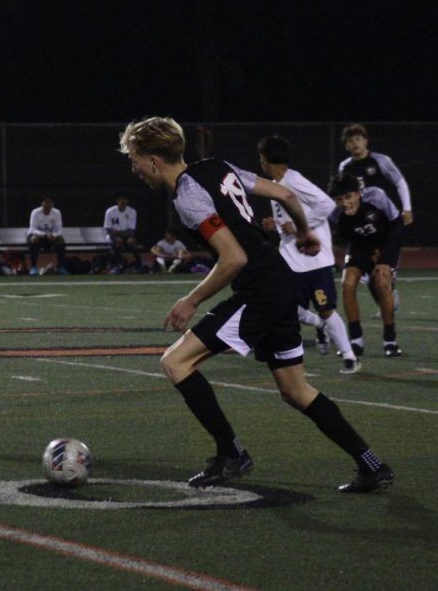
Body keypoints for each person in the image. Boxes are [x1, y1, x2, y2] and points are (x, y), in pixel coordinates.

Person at [119, 116, 392, 493]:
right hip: (278, 282)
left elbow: (233, 258)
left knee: (175, 362)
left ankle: (231, 453)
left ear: (153, 159)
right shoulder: (217, 167)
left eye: (134, 159)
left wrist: (191, 300)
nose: (133, 169)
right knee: (296, 391)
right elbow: (286, 195)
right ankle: (371, 465)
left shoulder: (187, 196)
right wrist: (306, 232)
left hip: (260, 291)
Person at [257, 135, 358, 373]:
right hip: (291, 259)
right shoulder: (276, 183)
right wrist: (277, 225)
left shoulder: (294, 181)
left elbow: (326, 205)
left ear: (264, 159)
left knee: (326, 308)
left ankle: (349, 356)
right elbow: (289, 221)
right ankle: (319, 327)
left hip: (315, 260)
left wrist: (297, 224)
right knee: (286, 308)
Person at [327, 175, 405, 358]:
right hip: (360, 246)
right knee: (347, 284)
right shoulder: (333, 212)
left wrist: (385, 259)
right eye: (339, 199)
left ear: (358, 193)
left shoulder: (376, 196)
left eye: (348, 197)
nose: (345, 203)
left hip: (385, 244)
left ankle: (390, 341)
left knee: (382, 283)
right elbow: (338, 235)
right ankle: (355, 340)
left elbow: (397, 226)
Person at [338, 123, 411, 316]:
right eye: (350, 141)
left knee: (383, 269)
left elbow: (399, 181)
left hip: (385, 224)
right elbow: (342, 192)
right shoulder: (345, 167)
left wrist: (407, 208)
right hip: (363, 225)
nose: (354, 143)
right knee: (369, 272)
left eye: (357, 139)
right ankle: (385, 300)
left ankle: (388, 296)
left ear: (365, 141)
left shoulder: (380, 160)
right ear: (346, 145)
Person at [26, 195, 67, 275]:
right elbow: (33, 229)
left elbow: (59, 229)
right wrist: (45, 234)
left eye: (49, 202)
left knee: (60, 241)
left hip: (50, 238)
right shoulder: (35, 212)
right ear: (42, 203)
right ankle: (33, 267)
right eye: (45, 202)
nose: (47, 204)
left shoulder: (57, 213)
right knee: (35, 240)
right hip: (37, 236)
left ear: (52, 204)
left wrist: (53, 235)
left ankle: (61, 267)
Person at [103, 192, 143, 273]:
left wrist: (119, 233)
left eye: (124, 199)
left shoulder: (132, 211)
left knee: (131, 242)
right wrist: (115, 234)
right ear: (117, 201)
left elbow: (131, 229)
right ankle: (117, 264)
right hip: (113, 236)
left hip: (126, 234)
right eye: (120, 199)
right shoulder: (110, 211)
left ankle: (139, 264)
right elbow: (108, 227)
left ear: (127, 201)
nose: (122, 201)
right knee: (118, 241)